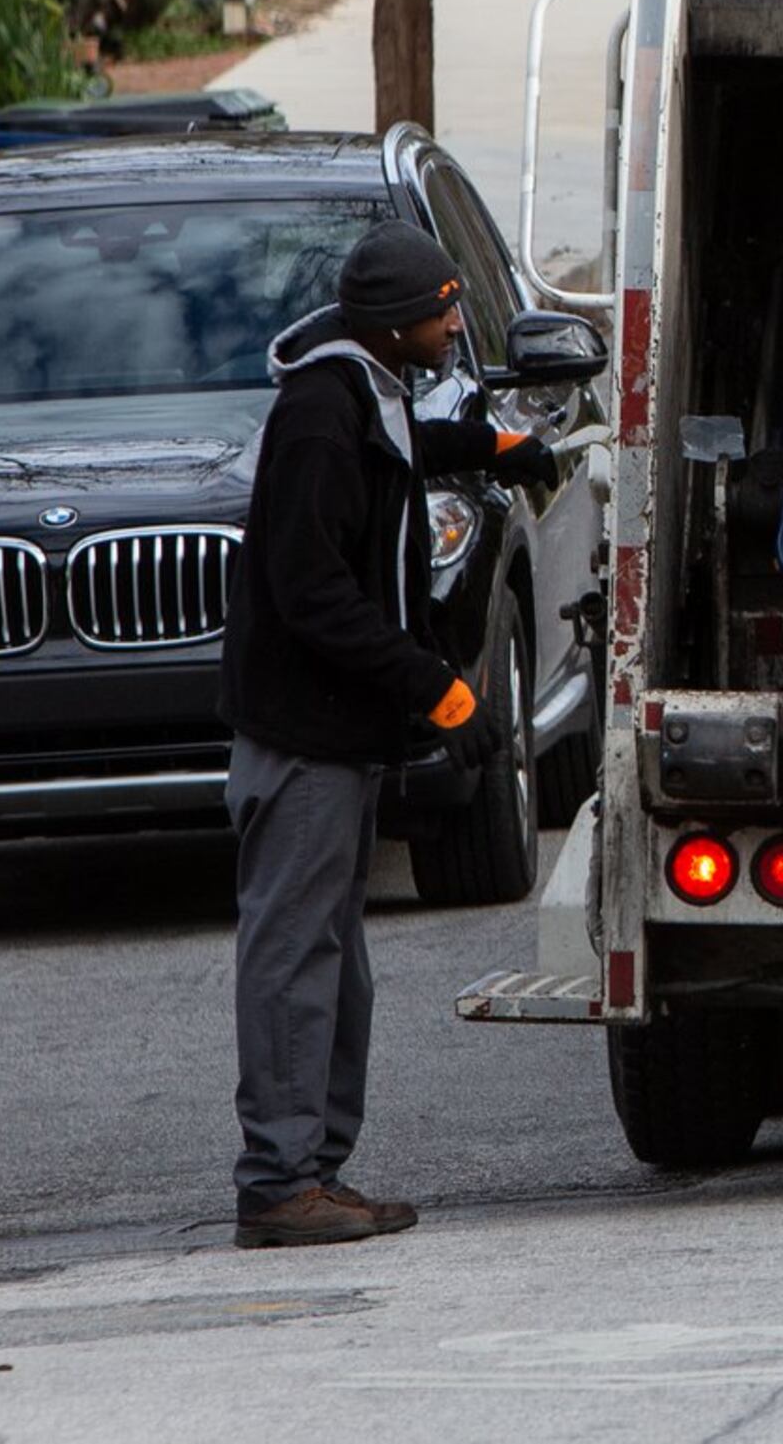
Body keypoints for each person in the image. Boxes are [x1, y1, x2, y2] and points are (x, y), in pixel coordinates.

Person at [222, 220, 561, 1249]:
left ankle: (312, 1170)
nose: (458, 323)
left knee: (336, 965)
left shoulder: (368, 391)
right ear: (395, 320)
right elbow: (313, 588)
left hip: (338, 739)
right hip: (304, 744)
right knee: (293, 957)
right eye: (446, 308)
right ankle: (279, 1184)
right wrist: (438, 690)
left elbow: (400, 453)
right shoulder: (320, 414)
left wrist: (494, 445)